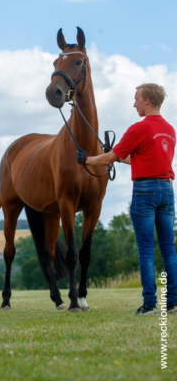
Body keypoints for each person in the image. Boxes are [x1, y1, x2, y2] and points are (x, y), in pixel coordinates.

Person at [77, 83, 177, 315]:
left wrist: (86, 159)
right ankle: (172, 303)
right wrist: (118, 157)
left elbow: (107, 159)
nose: (133, 103)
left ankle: (150, 305)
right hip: (167, 190)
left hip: (145, 191)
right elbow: (142, 159)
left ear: (147, 101)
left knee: (145, 250)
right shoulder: (170, 130)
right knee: (168, 250)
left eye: (136, 99)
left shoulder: (137, 129)